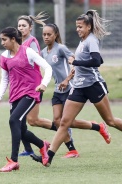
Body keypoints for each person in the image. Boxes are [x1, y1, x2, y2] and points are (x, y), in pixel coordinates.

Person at [42, 10, 122, 167]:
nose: (78, 29)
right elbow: (97, 58)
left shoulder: (91, 40)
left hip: (94, 85)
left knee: (110, 120)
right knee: (64, 123)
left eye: (80, 27)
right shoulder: (83, 42)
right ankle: (48, 158)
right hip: (79, 87)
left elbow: (96, 61)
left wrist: (76, 63)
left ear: (88, 27)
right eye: (77, 27)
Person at [17, 12, 78, 158]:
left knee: (62, 122)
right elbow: (41, 66)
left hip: (64, 87)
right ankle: (65, 141)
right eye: (18, 25)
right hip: (54, 89)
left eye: (23, 25)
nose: (45, 37)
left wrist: (68, 76)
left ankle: (95, 127)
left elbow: (73, 59)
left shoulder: (38, 44)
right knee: (56, 121)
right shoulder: (43, 51)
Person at [0, 27, 52, 172]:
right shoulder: (4, 56)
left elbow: (48, 68)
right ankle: (42, 145)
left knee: (13, 120)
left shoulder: (27, 51)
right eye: (1, 39)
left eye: (4, 39)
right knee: (21, 130)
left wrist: (43, 84)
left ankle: (13, 161)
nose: (2, 42)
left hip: (31, 93)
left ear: (13, 39)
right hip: (15, 95)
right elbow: (5, 79)